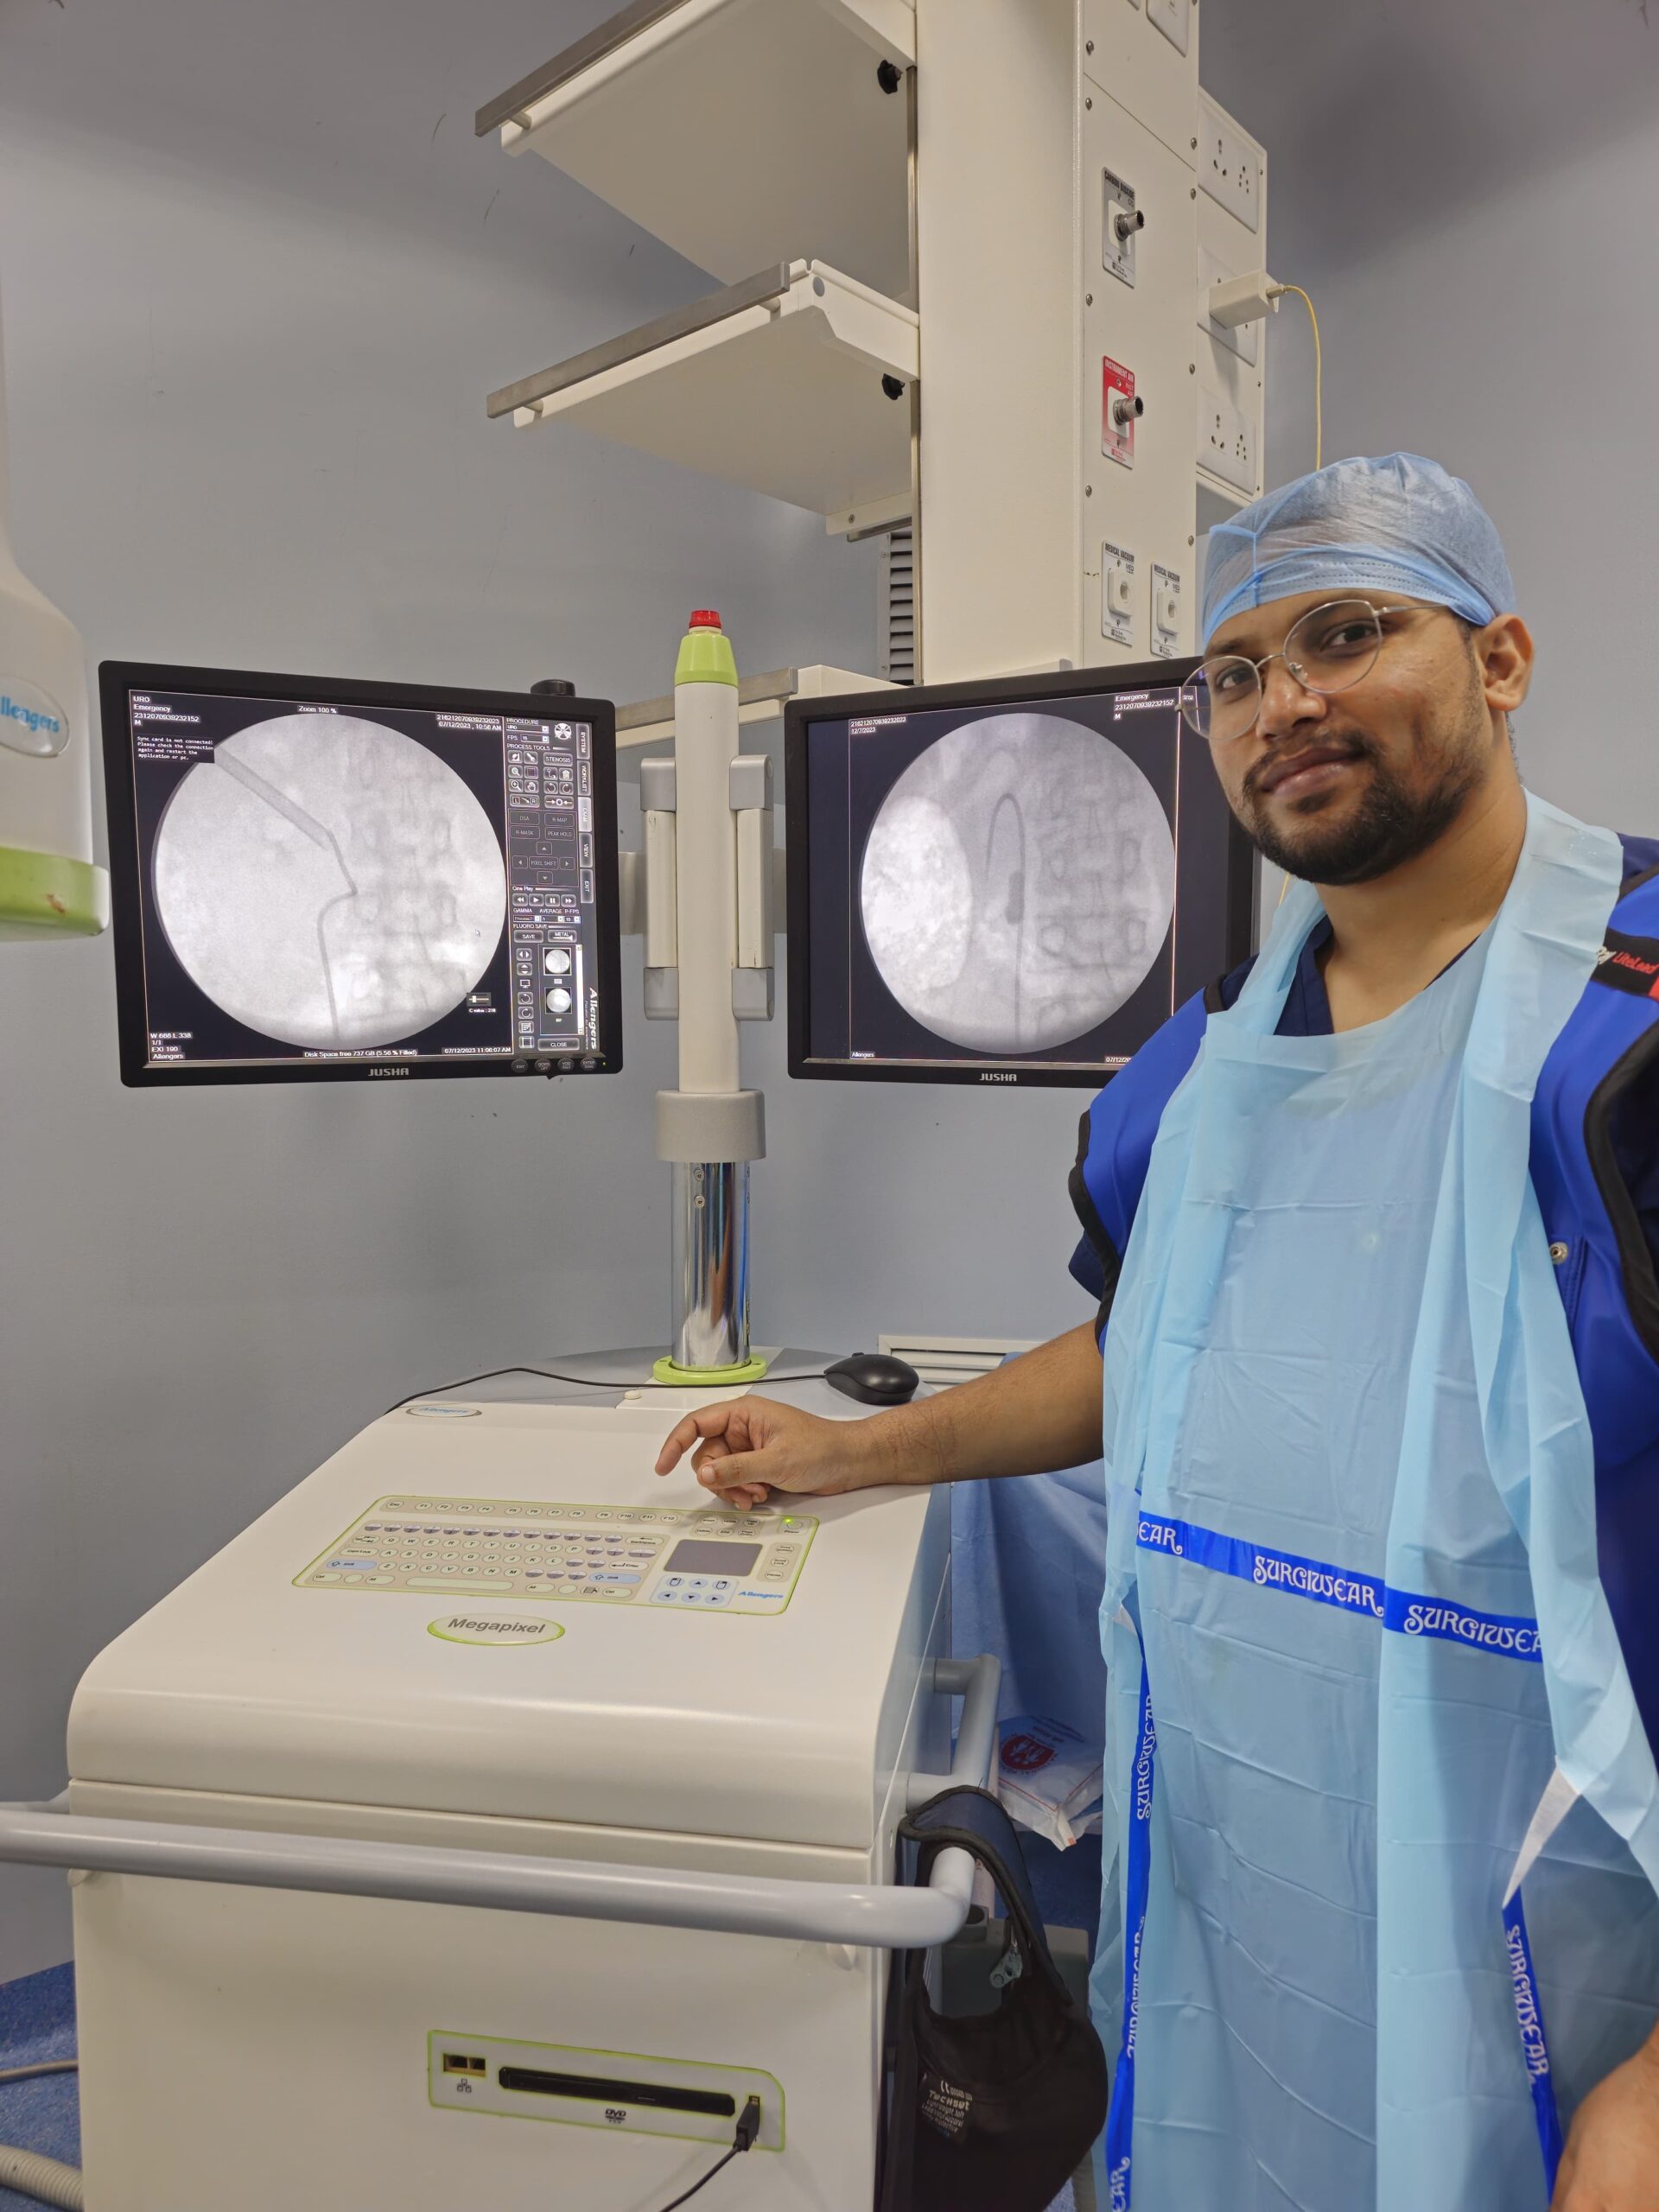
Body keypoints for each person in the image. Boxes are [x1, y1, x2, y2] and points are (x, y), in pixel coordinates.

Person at [655, 454, 1659, 2212]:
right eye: (1239, 672)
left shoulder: (1625, 1042)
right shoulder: (1195, 1074)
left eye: (1349, 633)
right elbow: (1153, 1352)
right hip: (1245, 1880)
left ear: (1500, 660)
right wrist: (855, 1450)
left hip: (1562, 1923)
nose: (1289, 703)